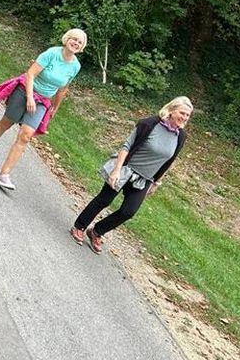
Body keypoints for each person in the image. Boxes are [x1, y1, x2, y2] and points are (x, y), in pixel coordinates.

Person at [71, 96, 193, 253]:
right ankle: (79, 226)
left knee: (129, 211)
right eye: (182, 113)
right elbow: (126, 146)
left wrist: (156, 182)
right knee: (104, 200)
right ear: (171, 110)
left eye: (187, 115)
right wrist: (116, 170)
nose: (184, 117)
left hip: (144, 179)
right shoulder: (150, 124)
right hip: (126, 169)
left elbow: (169, 161)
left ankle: (96, 231)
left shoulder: (180, 136)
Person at [0, 29, 87, 191]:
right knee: (6, 123)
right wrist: (29, 98)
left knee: (26, 136)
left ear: (82, 47)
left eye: (80, 42)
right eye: (74, 39)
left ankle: (4, 174)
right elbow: (31, 74)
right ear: (67, 39)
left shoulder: (75, 66)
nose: (76, 43)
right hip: (25, 90)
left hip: (43, 101)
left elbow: (63, 89)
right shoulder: (52, 54)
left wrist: (55, 107)